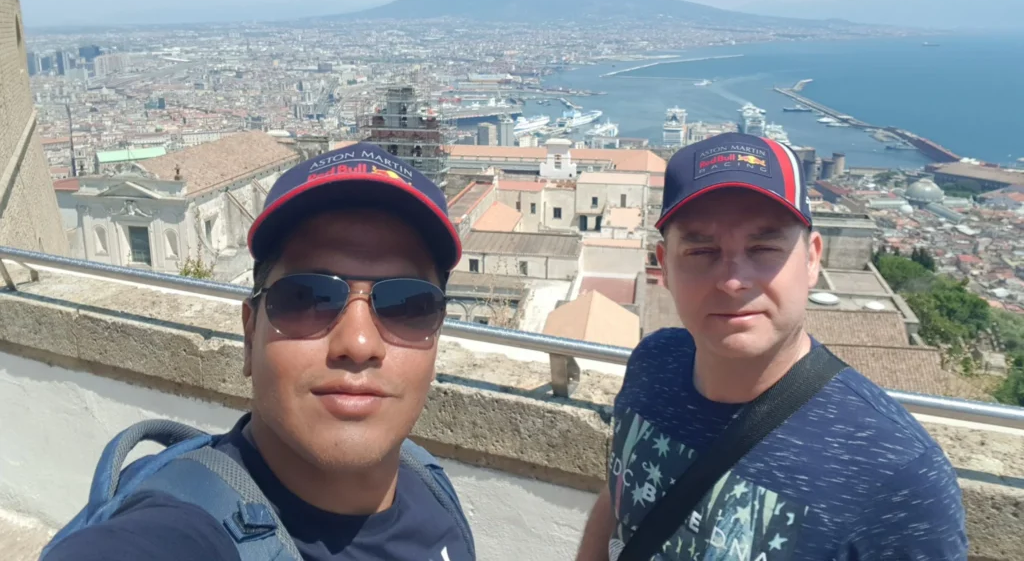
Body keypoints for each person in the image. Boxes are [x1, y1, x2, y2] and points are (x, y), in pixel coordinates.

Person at [42, 143, 475, 561]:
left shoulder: (428, 485)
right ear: (250, 336)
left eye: (409, 305)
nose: (358, 344)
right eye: (307, 298)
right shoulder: (182, 530)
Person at [576, 133, 967, 561]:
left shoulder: (897, 475)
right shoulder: (652, 363)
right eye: (701, 250)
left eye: (763, 248)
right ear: (664, 265)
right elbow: (618, 503)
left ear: (812, 259)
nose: (732, 280)